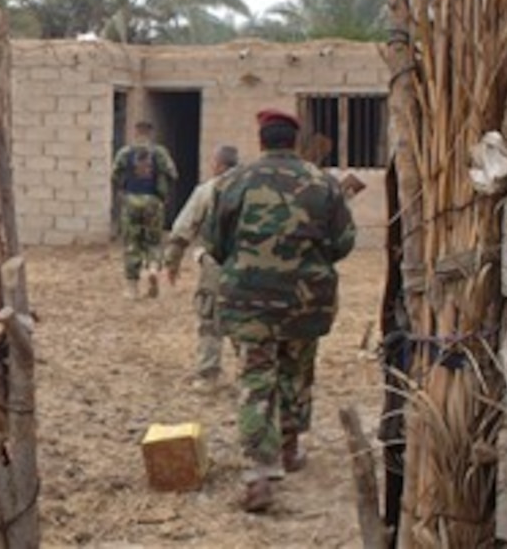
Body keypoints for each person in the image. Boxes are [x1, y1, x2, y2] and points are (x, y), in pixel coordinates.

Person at [201, 109, 355, 513]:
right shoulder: (322, 183)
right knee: (296, 374)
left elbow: (215, 244)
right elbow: (343, 243)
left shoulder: (233, 181)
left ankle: (259, 472)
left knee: (256, 380)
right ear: (293, 140)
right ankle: (289, 449)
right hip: (305, 301)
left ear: (262, 140)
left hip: (248, 302)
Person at [163, 144, 240, 393]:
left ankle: (208, 374)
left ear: (218, 165)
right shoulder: (253, 189)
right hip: (250, 266)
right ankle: (249, 372)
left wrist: (171, 263)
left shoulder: (208, 190)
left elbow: (183, 229)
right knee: (247, 317)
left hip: (215, 264)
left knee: (210, 318)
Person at [110, 120, 178, 300]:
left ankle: (132, 288)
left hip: (131, 200)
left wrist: (121, 192)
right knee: (153, 241)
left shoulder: (125, 152)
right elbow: (173, 173)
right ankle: (153, 269)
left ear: (135, 132)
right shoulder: (160, 152)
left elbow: (114, 174)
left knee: (132, 243)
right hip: (153, 201)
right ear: (150, 132)